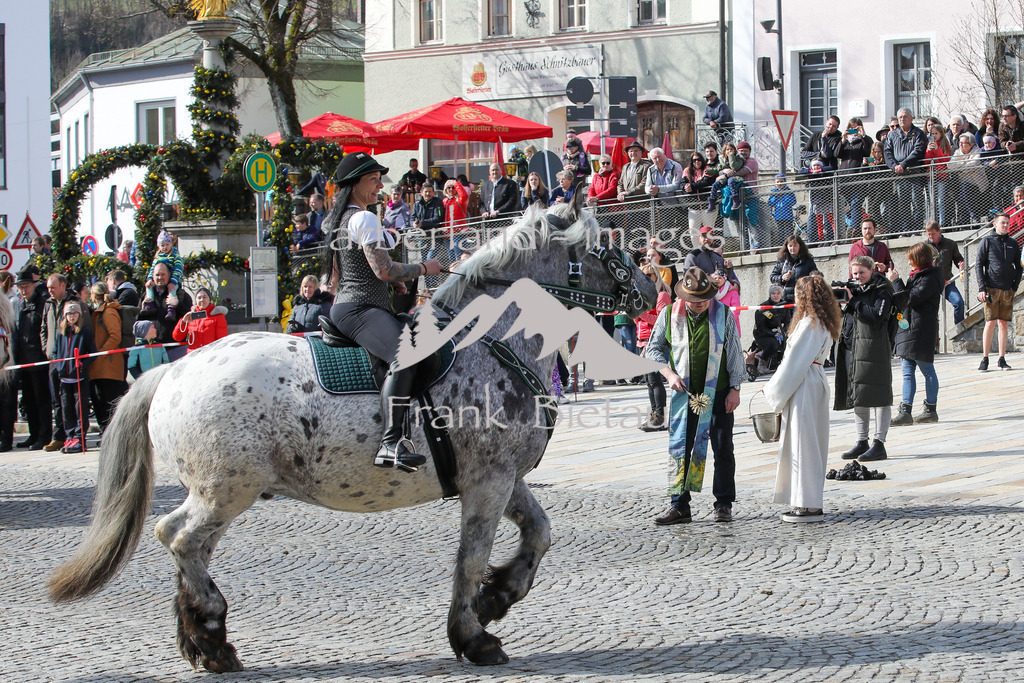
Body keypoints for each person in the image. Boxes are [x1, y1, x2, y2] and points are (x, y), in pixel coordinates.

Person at [323, 152, 443, 473]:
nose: (380, 186)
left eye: (379, 179)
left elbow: (341, 275)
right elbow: (384, 270)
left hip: (356, 304)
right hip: (360, 308)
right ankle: (390, 444)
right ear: (354, 185)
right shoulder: (363, 219)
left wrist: (394, 285)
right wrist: (424, 268)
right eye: (373, 180)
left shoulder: (341, 220)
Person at [645, 266, 745, 525]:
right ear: (683, 296)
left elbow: (735, 353)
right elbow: (652, 350)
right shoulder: (669, 314)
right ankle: (679, 505)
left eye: (704, 298)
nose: (700, 303)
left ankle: (723, 504)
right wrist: (669, 374)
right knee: (680, 447)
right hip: (684, 394)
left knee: (723, 449)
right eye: (694, 299)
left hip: (718, 392)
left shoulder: (723, 313)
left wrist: (735, 389)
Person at [762, 275, 841, 523]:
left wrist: (771, 388)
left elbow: (794, 363)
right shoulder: (821, 322)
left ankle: (807, 503)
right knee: (809, 442)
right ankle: (805, 500)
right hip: (812, 380)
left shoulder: (810, 324)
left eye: (797, 295)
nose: (794, 299)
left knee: (803, 443)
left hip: (804, 383)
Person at [835, 255, 895, 463]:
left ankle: (879, 443)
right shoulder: (855, 291)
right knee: (858, 395)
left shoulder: (882, 291)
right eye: (855, 273)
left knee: (880, 395)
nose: (858, 277)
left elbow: (877, 316)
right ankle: (862, 440)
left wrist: (853, 301)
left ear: (872, 271)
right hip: (853, 348)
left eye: (862, 272)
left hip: (874, 350)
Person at [888, 242, 944, 427]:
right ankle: (905, 411)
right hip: (909, 328)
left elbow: (911, 299)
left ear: (919, 259)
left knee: (927, 369)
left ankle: (930, 409)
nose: (909, 263)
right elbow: (906, 297)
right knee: (907, 372)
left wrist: (896, 281)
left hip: (921, 329)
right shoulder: (917, 275)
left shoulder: (930, 278)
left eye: (911, 259)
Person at [40, 273, 87, 452]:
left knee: (76, 402)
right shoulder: (48, 304)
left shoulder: (75, 302)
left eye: (53, 287)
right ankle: (60, 436)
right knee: (58, 400)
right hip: (55, 359)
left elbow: (86, 332)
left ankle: (77, 436)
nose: (50, 291)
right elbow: (44, 328)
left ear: (62, 285)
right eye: (48, 288)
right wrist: (47, 348)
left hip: (75, 364)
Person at [976, 213, 1023, 371]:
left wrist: (1015, 286)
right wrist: (982, 288)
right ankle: (985, 358)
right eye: (1002, 222)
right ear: (995, 224)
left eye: (1007, 223)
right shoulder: (987, 241)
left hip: (1007, 289)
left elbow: (1019, 267)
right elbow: (979, 265)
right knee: (990, 322)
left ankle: (1002, 359)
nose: (1006, 225)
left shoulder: (1013, 243)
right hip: (991, 288)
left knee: (1003, 324)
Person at [13, 266, 51, 450]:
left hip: (38, 360)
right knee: (28, 400)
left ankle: (44, 435)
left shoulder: (42, 303)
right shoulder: (20, 305)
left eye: (26, 286)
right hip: (23, 361)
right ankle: (33, 434)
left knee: (41, 400)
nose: (23, 290)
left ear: (34, 285)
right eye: (20, 287)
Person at [53, 300, 96, 454]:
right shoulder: (61, 333)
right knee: (67, 409)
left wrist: (83, 364)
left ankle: (79, 438)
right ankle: (70, 436)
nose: (72, 317)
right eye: (69, 314)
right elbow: (55, 352)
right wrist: (59, 366)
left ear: (79, 315)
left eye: (74, 313)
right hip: (64, 377)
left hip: (79, 377)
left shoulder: (84, 332)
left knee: (80, 410)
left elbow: (92, 352)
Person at [89, 282, 126, 434]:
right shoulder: (100, 311)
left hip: (108, 365)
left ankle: (111, 434)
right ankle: (106, 433)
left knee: (109, 402)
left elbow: (115, 336)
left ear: (93, 295)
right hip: (101, 365)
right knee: (100, 401)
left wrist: (101, 352)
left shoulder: (108, 312)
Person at [883, 108, 928, 235]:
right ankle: (906, 230)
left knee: (917, 202)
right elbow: (887, 152)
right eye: (900, 117)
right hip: (900, 175)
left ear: (911, 118)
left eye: (905, 116)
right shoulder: (892, 135)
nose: (902, 119)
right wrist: (894, 166)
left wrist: (903, 164)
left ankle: (916, 229)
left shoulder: (918, 133)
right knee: (903, 204)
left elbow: (918, 151)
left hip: (915, 173)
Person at [137, 261, 193, 359]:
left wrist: (178, 305)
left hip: (175, 349)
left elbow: (190, 318)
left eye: (163, 274)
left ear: (169, 275)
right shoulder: (146, 296)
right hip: (153, 350)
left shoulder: (181, 295)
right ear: (152, 276)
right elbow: (137, 321)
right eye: (157, 275)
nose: (160, 277)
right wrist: (142, 309)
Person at [636, 291, 671, 432]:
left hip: (654, 343)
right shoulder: (642, 296)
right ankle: (654, 415)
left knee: (655, 381)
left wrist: (641, 313)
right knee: (649, 382)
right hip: (642, 341)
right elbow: (638, 321)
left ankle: (660, 418)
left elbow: (660, 321)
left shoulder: (661, 295)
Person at [747, 284, 791, 380]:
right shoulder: (763, 307)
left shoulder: (784, 305)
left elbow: (788, 322)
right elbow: (760, 326)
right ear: (770, 294)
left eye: (778, 293)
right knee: (773, 343)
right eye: (773, 293)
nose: (776, 295)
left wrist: (783, 331)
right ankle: (762, 364)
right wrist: (773, 334)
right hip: (763, 334)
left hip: (779, 331)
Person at [925, 221, 966, 324]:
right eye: (928, 234)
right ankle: (933, 332)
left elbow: (958, 258)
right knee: (929, 310)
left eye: (933, 234)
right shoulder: (924, 246)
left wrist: (961, 264)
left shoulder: (951, 244)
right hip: (930, 283)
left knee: (959, 302)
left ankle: (960, 329)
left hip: (947, 282)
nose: (931, 237)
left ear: (939, 231)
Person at [172, 287, 229, 353]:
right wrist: (183, 322)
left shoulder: (218, 317)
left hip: (210, 354)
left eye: (204, 297)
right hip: (193, 354)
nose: (202, 300)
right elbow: (177, 337)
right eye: (199, 298)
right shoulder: (190, 316)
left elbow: (221, 340)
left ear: (210, 300)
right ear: (196, 300)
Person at [143, 230, 185, 319]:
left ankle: (171, 308)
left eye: (167, 244)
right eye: (162, 245)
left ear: (171, 244)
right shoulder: (158, 257)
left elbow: (178, 269)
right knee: (149, 287)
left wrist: (173, 281)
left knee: (172, 290)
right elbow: (152, 270)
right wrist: (150, 279)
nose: (165, 247)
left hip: (174, 280)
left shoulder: (175, 256)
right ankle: (150, 303)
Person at [947, 133, 987, 225]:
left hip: (977, 184)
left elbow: (974, 164)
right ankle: (970, 219)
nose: (960, 145)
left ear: (971, 144)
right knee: (963, 195)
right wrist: (965, 164)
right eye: (960, 142)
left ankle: (971, 218)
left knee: (964, 192)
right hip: (964, 185)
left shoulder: (977, 151)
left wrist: (960, 168)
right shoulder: (957, 152)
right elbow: (950, 165)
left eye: (963, 143)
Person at [770, 234, 817, 303]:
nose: (792, 248)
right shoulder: (782, 260)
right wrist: (782, 278)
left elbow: (815, 274)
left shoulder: (808, 260)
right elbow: (772, 277)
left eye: (795, 246)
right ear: (787, 247)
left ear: (800, 246)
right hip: (786, 298)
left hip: (803, 296)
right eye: (790, 246)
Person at [924, 124, 952, 226]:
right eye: (932, 134)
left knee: (941, 200)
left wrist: (937, 149)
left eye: (936, 133)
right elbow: (926, 161)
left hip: (941, 176)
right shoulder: (928, 144)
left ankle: (942, 222)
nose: (934, 136)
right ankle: (932, 221)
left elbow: (945, 159)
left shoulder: (945, 144)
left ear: (941, 134)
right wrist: (928, 150)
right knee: (931, 201)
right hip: (931, 176)